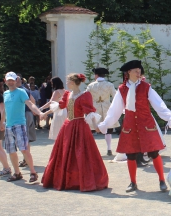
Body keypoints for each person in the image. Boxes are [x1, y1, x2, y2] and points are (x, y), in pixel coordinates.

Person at [95, 60, 171, 192]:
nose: (138, 73)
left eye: (139, 70)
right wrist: (104, 125)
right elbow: (115, 111)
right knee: (130, 155)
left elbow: (159, 105)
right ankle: (133, 182)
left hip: (146, 124)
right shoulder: (122, 89)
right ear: (128, 72)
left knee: (154, 152)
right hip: (130, 126)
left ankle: (161, 180)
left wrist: (169, 117)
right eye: (136, 71)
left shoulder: (146, 87)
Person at [41, 73, 108, 191]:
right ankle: (66, 179)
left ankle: (81, 180)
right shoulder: (68, 94)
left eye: (68, 81)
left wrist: (96, 125)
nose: (66, 83)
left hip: (80, 126)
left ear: (72, 82)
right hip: (68, 126)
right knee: (65, 151)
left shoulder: (85, 95)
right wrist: (45, 114)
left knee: (82, 152)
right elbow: (59, 106)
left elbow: (89, 112)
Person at [2, 71, 44, 182]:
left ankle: (33, 172)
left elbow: (30, 104)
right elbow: (5, 110)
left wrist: (39, 113)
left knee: (24, 150)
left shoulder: (21, 92)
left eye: (12, 80)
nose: (10, 82)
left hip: (19, 124)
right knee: (11, 151)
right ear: (5, 81)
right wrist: (2, 122)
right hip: (8, 125)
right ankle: (17, 173)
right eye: (8, 80)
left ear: (16, 80)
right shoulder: (5, 94)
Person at [86, 67, 120, 155]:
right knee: (109, 128)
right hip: (107, 107)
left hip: (95, 107)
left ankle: (91, 149)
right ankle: (109, 148)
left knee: (92, 128)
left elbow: (86, 97)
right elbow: (116, 96)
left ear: (96, 75)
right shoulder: (109, 84)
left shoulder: (91, 85)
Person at [16, 76, 36, 167]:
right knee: (26, 138)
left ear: (18, 81)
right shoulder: (25, 89)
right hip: (28, 114)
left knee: (24, 138)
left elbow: (32, 101)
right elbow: (33, 101)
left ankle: (26, 159)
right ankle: (26, 159)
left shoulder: (20, 91)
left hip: (24, 115)